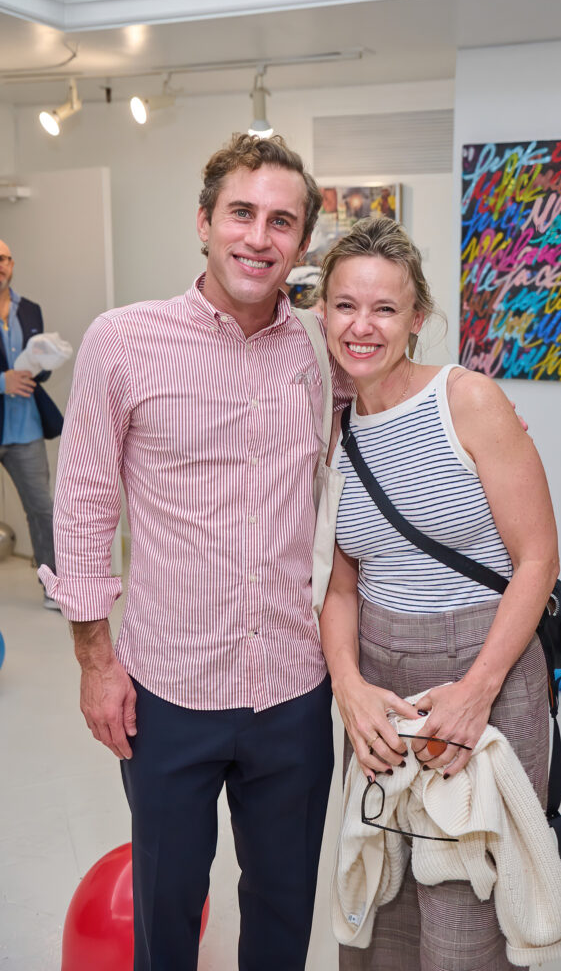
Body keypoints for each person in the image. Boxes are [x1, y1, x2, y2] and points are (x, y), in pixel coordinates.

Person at [39, 133, 352, 971]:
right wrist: (95, 662)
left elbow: (393, 413)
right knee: (166, 904)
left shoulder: (320, 350)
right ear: (204, 222)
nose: (259, 236)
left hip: (293, 688)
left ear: (301, 241)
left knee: (284, 904)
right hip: (167, 691)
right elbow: (84, 506)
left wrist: (473, 415)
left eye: (281, 221)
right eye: (241, 213)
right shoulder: (122, 341)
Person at [318, 217, 561, 970]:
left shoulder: (467, 401)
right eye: (344, 305)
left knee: (467, 904)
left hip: (485, 670)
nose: (362, 326)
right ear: (322, 312)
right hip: (382, 686)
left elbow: (537, 559)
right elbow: (340, 585)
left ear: (417, 316)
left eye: (384, 308)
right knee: (382, 886)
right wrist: (349, 687)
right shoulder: (331, 425)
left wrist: (475, 692)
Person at [0, 239, 62, 609]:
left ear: (12, 264)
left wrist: (43, 362)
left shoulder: (30, 309)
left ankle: (53, 585)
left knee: (42, 510)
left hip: (26, 428)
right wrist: (2, 381)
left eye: (4, 258)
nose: (0, 265)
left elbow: (40, 367)